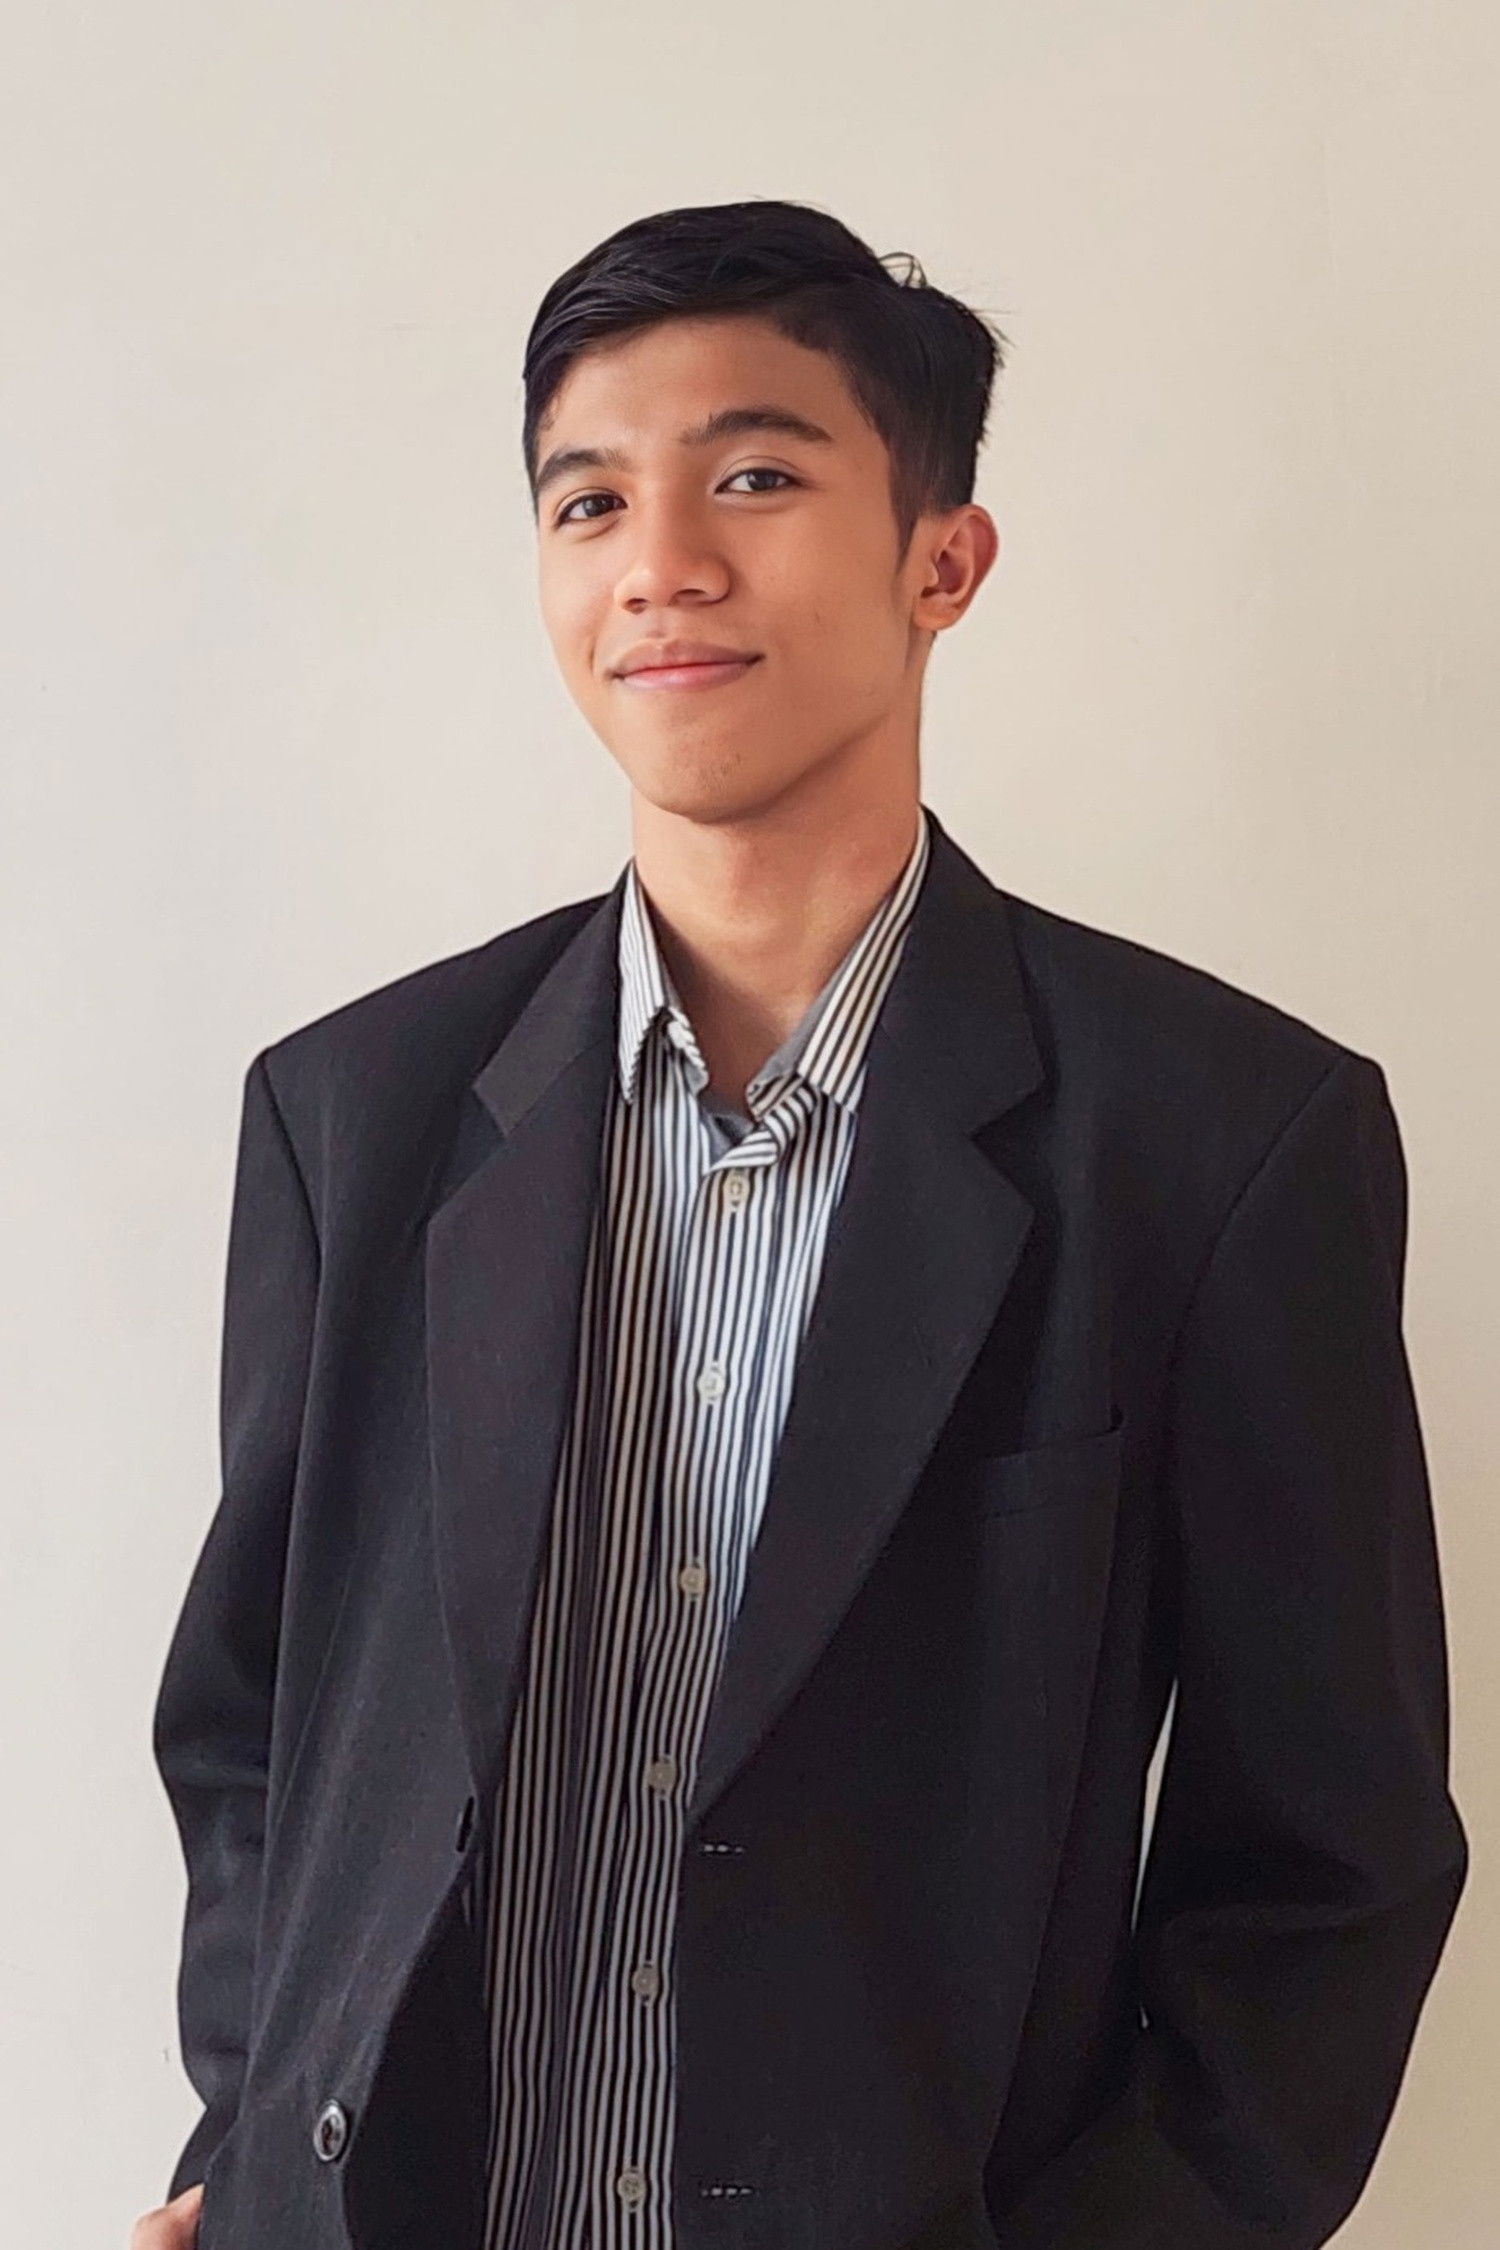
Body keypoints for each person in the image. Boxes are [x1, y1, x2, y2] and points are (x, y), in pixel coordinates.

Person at [133, 199, 1467, 2250]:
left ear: (945, 559)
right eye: (589, 500)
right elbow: (254, 1733)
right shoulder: (354, 1115)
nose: (659, 560)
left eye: (753, 476)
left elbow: (1329, 1866)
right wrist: (243, 2152)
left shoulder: (1219, 1142)